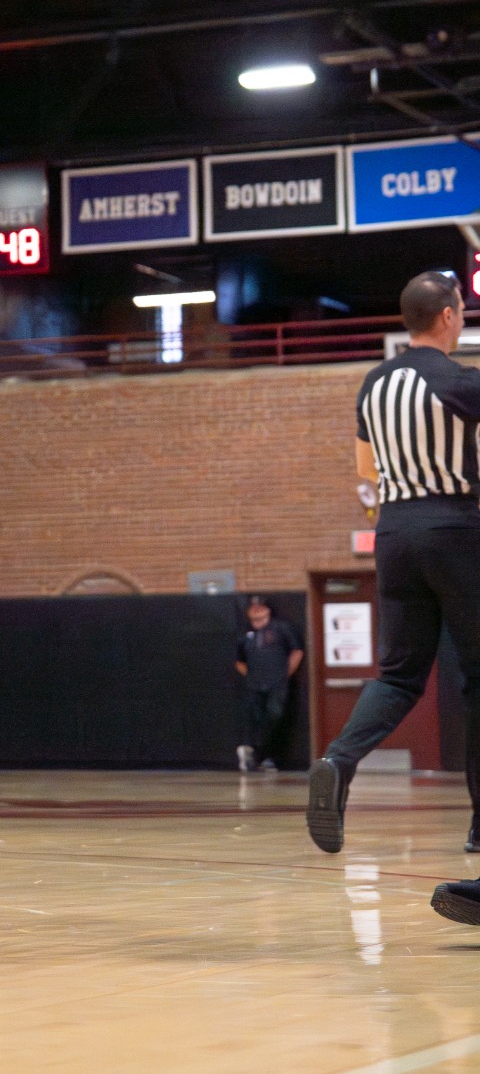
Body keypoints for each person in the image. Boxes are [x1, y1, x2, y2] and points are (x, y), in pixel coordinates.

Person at [314, 271, 480, 860]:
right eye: (461, 310)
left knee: (399, 675)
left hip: (392, 534)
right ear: (446, 318)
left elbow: (366, 475)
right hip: (455, 528)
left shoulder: (372, 386)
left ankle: (338, 760)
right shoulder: (462, 383)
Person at [235, 596, 302, 772]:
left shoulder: (280, 628)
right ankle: (254, 757)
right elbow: (239, 661)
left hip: (277, 683)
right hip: (255, 685)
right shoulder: (245, 633)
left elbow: (296, 651)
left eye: (260, 607)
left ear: (267, 609)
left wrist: (284, 674)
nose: (256, 610)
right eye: (253, 607)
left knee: (275, 715)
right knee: (255, 719)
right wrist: (251, 676)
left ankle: (265, 754)